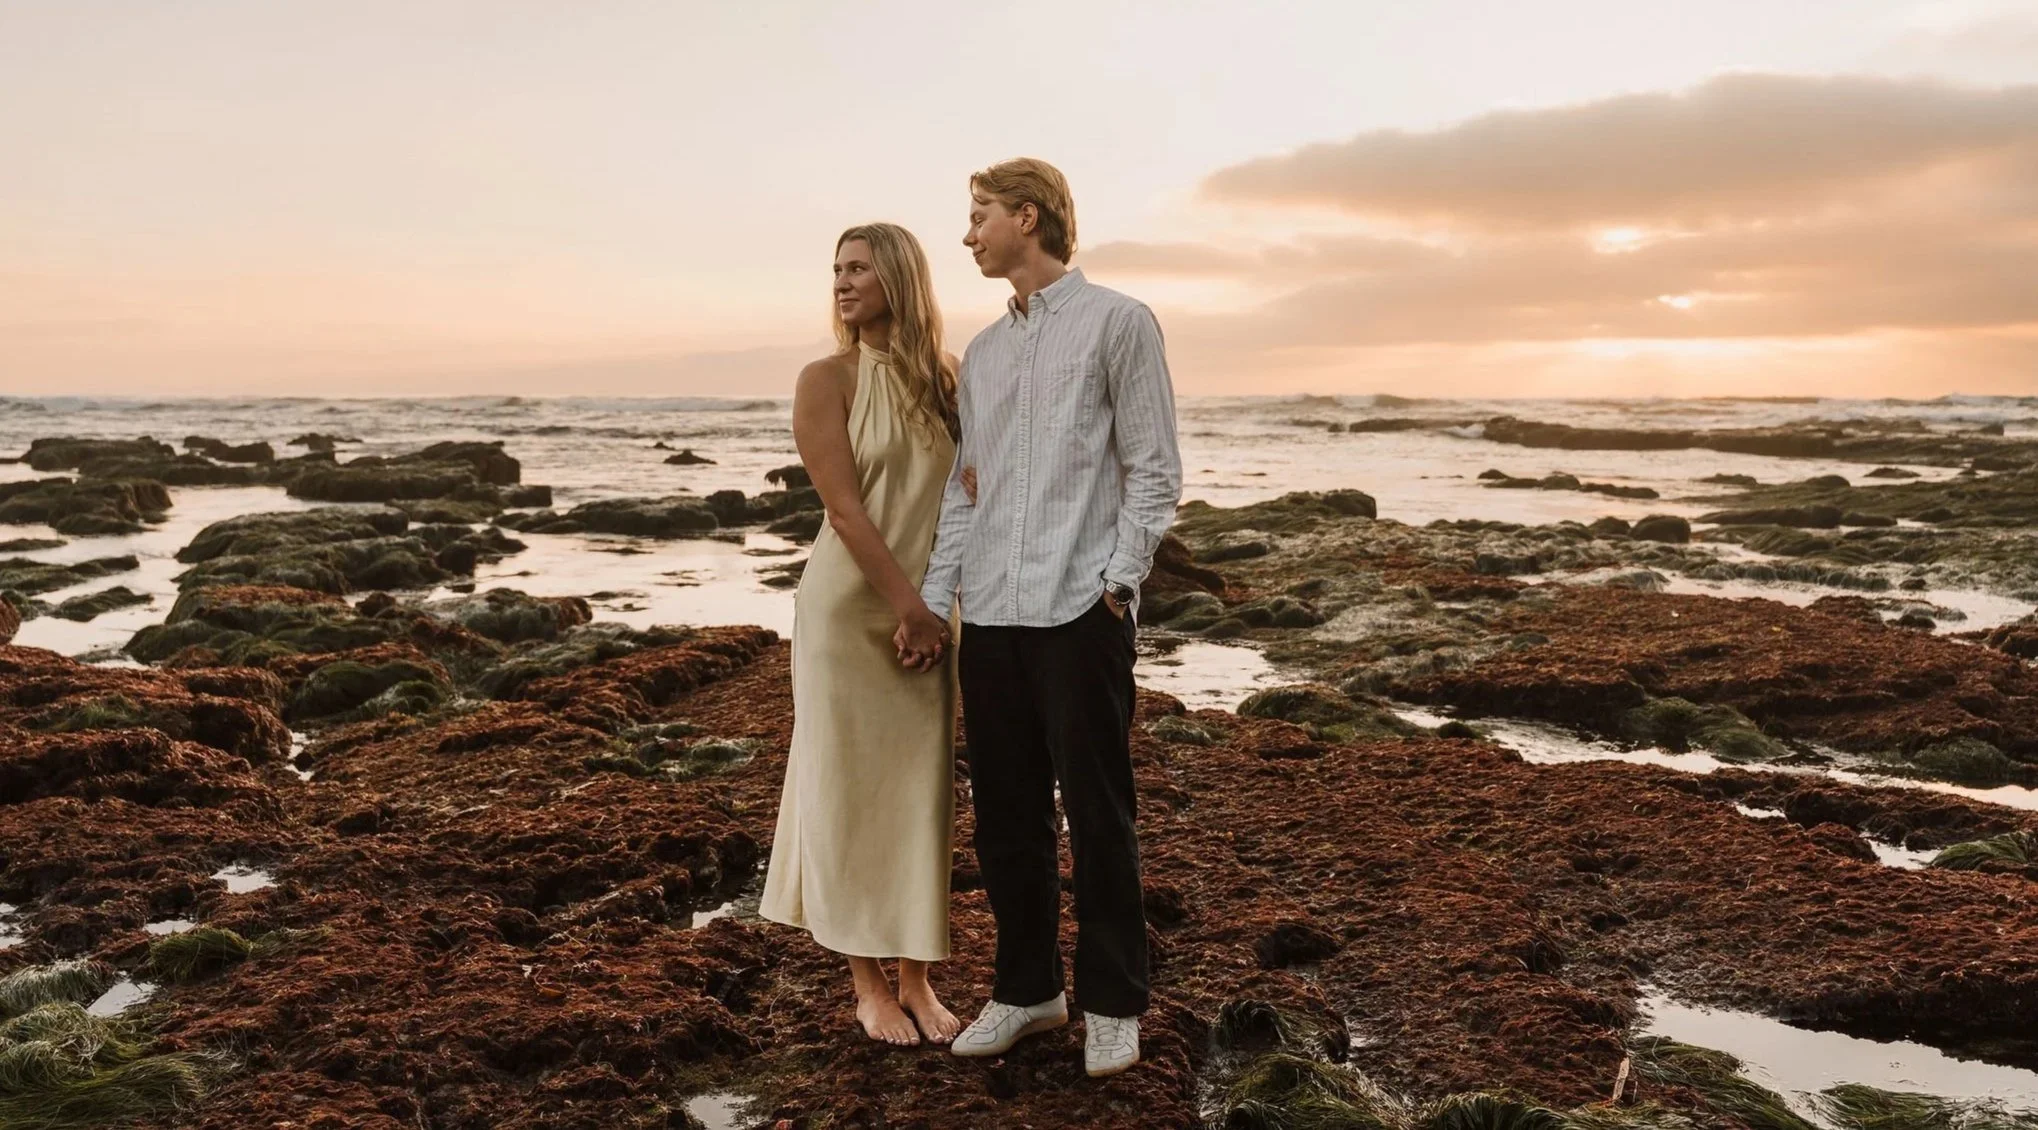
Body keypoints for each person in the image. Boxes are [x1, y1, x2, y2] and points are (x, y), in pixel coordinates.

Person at [914, 158, 1183, 1078]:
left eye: (979, 215)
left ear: (1027, 217)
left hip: (1080, 607)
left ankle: (1114, 1002)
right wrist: (940, 596)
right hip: (991, 612)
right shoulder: (983, 355)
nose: (968, 234)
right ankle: (1028, 991)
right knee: (1005, 818)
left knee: (1101, 813)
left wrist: (1118, 583)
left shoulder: (1119, 323)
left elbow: (1153, 468)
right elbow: (965, 490)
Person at [759, 222, 965, 1048]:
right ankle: (867, 983)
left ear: (901, 278)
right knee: (847, 787)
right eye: (835, 270)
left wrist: (936, 607)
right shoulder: (826, 379)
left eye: (858, 268)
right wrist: (905, 607)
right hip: (852, 612)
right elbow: (842, 510)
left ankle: (917, 976)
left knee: (919, 795)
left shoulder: (948, 378)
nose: (842, 283)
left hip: (935, 611)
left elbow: (968, 500)